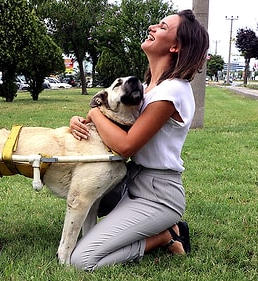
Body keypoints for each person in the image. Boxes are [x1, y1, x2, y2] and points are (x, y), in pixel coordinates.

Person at [68, 10, 209, 271]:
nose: (153, 26)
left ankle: (164, 236)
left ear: (176, 46)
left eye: (163, 27)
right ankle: (162, 227)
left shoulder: (172, 91)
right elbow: (114, 123)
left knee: (82, 260)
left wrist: (93, 113)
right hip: (129, 180)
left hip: (157, 194)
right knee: (86, 189)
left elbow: (127, 145)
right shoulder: (149, 87)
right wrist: (81, 122)